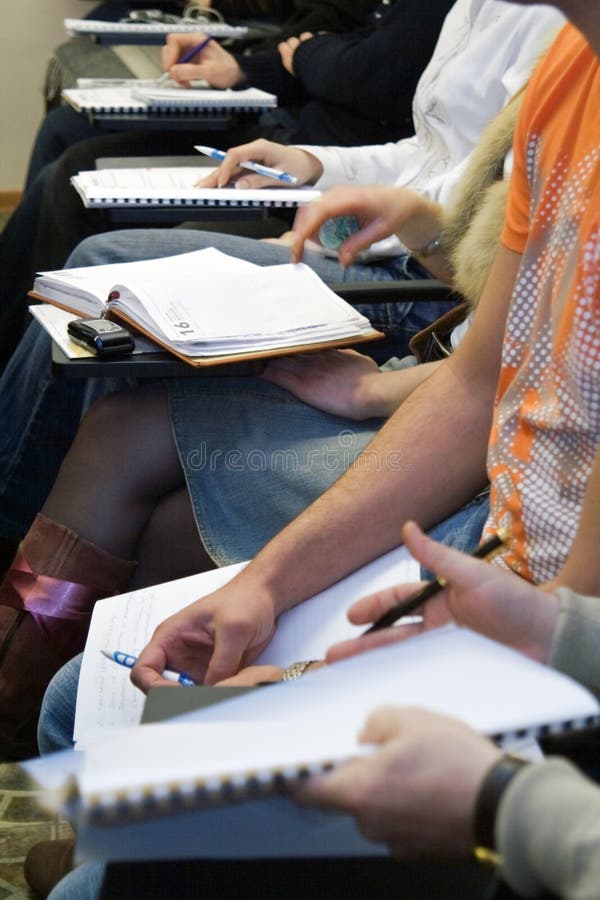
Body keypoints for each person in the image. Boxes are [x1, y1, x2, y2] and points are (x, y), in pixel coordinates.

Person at [0, 82, 522, 754]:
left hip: (476, 449)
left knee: (167, 522)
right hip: (438, 375)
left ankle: (74, 747)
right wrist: (419, 219)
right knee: (120, 427)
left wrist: (373, 396)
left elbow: (508, 376)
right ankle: (26, 698)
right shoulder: (564, 76)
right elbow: (487, 323)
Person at [0, 0, 562, 545]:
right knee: (108, 280)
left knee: (114, 268)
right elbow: (429, 152)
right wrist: (319, 164)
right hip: (416, 265)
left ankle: (15, 515)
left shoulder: (558, 40)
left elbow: (497, 325)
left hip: (419, 289)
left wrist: (377, 378)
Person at [1, 0, 450, 370]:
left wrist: (312, 57)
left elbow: (377, 75)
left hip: (396, 262)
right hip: (307, 157)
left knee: (106, 253)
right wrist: (304, 139)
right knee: (73, 159)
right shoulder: (479, 17)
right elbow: (334, 40)